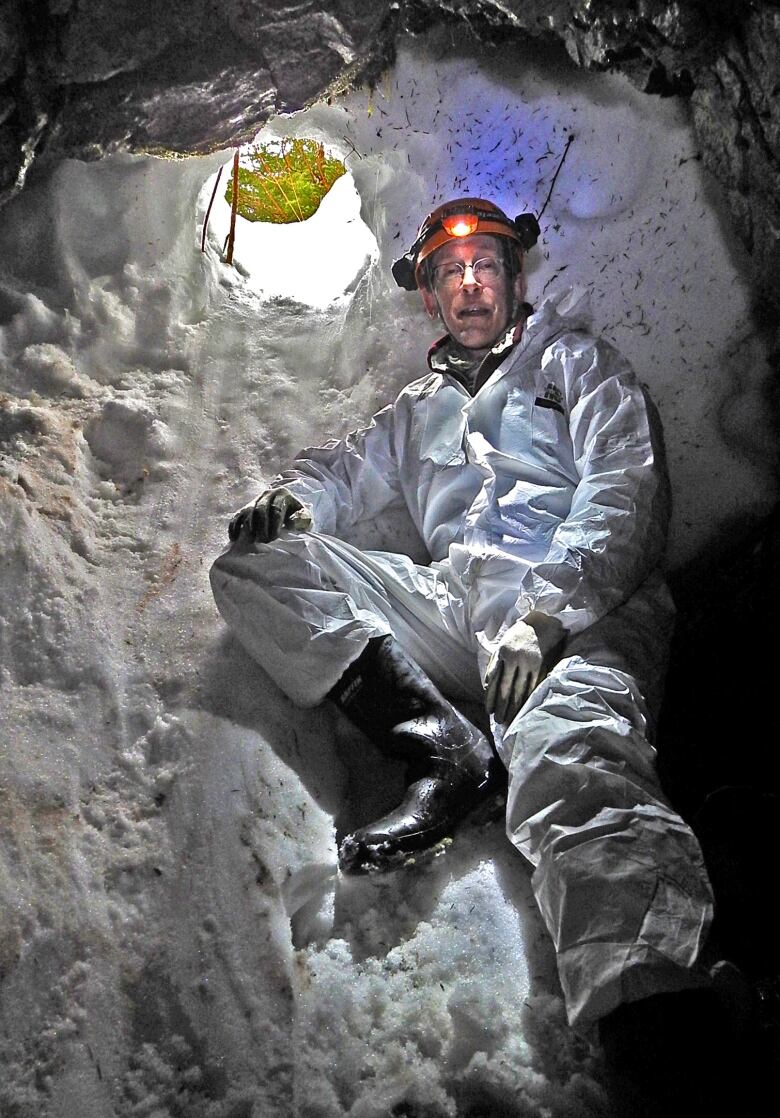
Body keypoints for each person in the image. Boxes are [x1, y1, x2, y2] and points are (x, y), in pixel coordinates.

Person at [210, 198, 741, 1110]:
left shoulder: (576, 365)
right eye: (449, 273)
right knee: (258, 564)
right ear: (427, 294)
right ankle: (440, 745)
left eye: (486, 267)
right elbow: (338, 470)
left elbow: (626, 492)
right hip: (460, 617)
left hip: (581, 613)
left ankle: (658, 1029)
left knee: (570, 756)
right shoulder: (415, 414)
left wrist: (551, 610)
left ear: (514, 278)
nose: (469, 285)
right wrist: (293, 501)